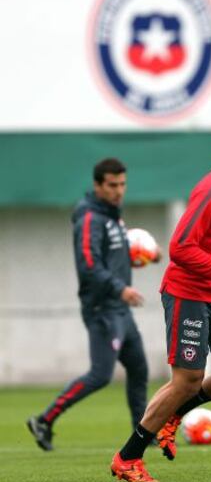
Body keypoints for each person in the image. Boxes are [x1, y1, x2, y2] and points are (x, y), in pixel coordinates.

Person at [109, 112, 211, 482]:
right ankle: (128, 458)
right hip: (188, 293)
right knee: (186, 379)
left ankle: (175, 414)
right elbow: (181, 248)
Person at [27, 158, 160, 451]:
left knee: (139, 370)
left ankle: (142, 434)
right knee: (100, 375)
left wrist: (149, 256)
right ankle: (45, 420)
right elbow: (89, 266)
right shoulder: (89, 218)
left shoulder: (112, 216)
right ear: (98, 185)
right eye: (112, 185)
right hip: (103, 310)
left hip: (120, 309)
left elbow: (113, 259)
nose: (119, 191)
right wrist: (119, 288)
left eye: (123, 184)